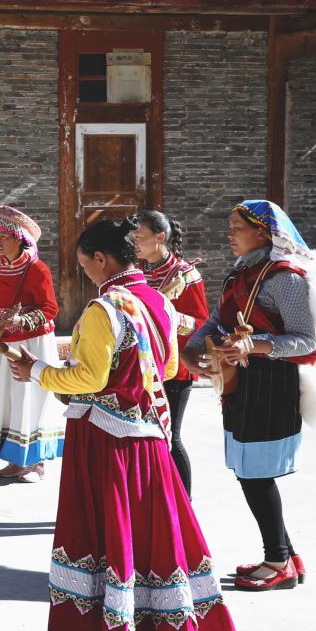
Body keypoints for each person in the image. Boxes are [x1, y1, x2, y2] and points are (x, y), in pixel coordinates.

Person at [11, 218, 237, 631]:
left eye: (84, 266)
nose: (85, 274)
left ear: (101, 259)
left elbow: (89, 378)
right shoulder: (157, 299)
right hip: (148, 436)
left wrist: (36, 371)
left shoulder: (105, 308)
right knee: (149, 536)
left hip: (104, 442)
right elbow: (168, 366)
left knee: (102, 535)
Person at [181, 201, 316, 591]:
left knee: (256, 475)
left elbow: (305, 341)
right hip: (243, 383)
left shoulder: (284, 278)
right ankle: (287, 555)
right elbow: (216, 320)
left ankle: (277, 562)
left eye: (237, 227)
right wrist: (192, 350)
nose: (229, 234)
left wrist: (255, 344)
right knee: (249, 470)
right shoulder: (243, 271)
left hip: (270, 385)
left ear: (263, 233)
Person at [0, 205, 64, 482]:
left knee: (29, 397)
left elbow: (50, 308)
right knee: (8, 398)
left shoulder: (38, 269)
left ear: (20, 238)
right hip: (3, 341)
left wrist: (22, 321)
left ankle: (35, 462)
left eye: (4, 235)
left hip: (32, 343)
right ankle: (15, 458)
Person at [133, 209, 209, 493]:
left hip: (175, 368)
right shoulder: (137, 272)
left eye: (140, 237)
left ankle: (184, 501)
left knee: (170, 436)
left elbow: (202, 325)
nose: (135, 242)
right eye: (133, 237)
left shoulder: (186, 275)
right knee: (145, 436)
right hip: (142, 364)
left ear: (160, 237)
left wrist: (166, 315)